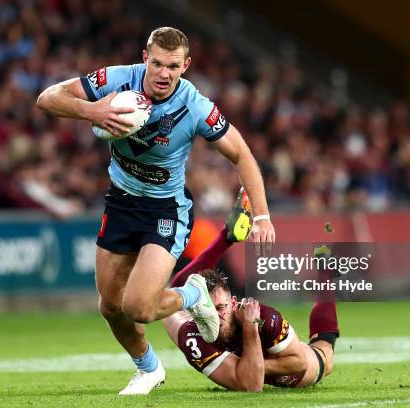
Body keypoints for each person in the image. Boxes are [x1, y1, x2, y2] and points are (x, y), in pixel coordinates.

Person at [36, 27, 276, 395]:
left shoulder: (195, 106)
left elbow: (241, 154)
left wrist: (261, 216)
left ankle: (194, 293)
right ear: (145, 57)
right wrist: (93, 111)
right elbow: (48, 98)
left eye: (174, 66)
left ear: (186, 65)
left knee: (141, 307)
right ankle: (148, 368)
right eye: (158, 63)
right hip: (120, 202)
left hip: (166, 209)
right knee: (110, 306)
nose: (164, 73)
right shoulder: (118, 79)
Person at [164, 196, 339, 391]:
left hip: (313, 364)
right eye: (208, 308)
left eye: (221, 307)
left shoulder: (262, 317)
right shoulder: (192, 334)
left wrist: (250, 333)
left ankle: (325, 270)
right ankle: (228, 236)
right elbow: (173, 296)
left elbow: (299, 364)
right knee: (175, 293)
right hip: (256, 365)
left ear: (233, 302)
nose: (215, 315)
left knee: (324, 345)